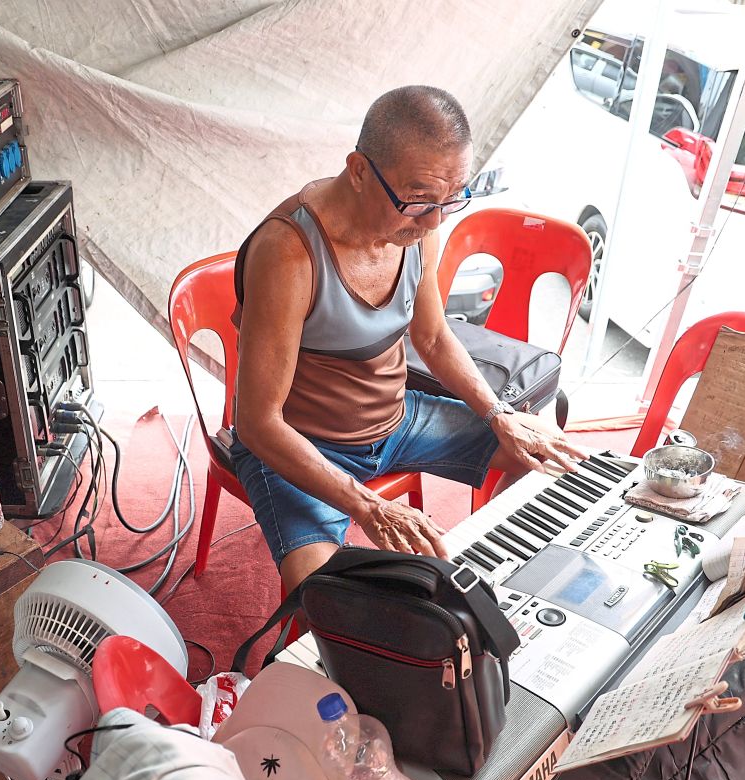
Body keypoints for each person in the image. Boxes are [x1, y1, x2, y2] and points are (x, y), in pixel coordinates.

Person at [232, 85, 588, 594]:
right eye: (419, 198)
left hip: (398, 421)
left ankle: (513, 585)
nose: (435, 221)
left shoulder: (421, 223)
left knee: (548, 451)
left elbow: (434, 338)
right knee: (321, 597)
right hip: (302, 444)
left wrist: (499, 414)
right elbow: (258, 422)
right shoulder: (289, 254)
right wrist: (368, 505)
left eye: (451, 199)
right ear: (358, 171)